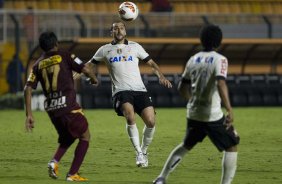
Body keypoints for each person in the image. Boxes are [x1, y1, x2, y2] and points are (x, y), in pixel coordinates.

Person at [153, 25, 240, 184]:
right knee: (232, 145)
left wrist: (191, 101)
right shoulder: (220, 59)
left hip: (193, 113)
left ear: (202, 40)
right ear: (219, 41)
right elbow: (221, 84)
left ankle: (161, 178)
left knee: (186, 146)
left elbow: (182, 87)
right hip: (212, 115)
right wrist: (229, 109)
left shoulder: (193, 59)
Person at [89, 21, 172, 167]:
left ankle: (144, 151)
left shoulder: (135, 46)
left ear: (125, 31)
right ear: (111, 32)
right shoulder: (104, 49)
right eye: (115, 28)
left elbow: (151, 63)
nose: (119, 30)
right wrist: (74, 76)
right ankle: (139, 153)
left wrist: (161, 76)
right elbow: (88, 66)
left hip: (140, 90)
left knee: (151, 122)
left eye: (121, 28)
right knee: (130, 115)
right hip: (121, 91)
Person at [24, 31, 98, 181]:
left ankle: (54, 162)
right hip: (68, 106)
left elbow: (27, 88)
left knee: (68, 137)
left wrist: (29, 115)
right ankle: (72, 174)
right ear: (56, 43)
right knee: (85, 136)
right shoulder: (66, 55)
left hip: (52, 109)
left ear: (42, 47)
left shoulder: (37, 65)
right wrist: (93, 79)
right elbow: (85, 69)